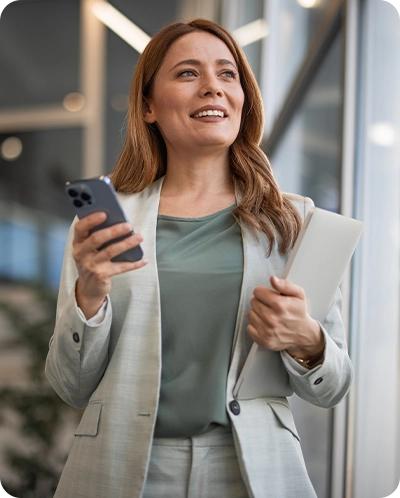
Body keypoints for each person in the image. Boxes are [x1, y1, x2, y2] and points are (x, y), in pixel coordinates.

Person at [45, 18, 352, 498]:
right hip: (123, 467)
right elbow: (70, 385)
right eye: (188, 73)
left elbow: (331, 386)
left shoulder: (294, 221)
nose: (212, 87)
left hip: (252, 467)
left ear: (243, 98)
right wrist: (89, 295)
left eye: (227, 74)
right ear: (148, 106)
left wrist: (308, 340)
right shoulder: (105, 227)